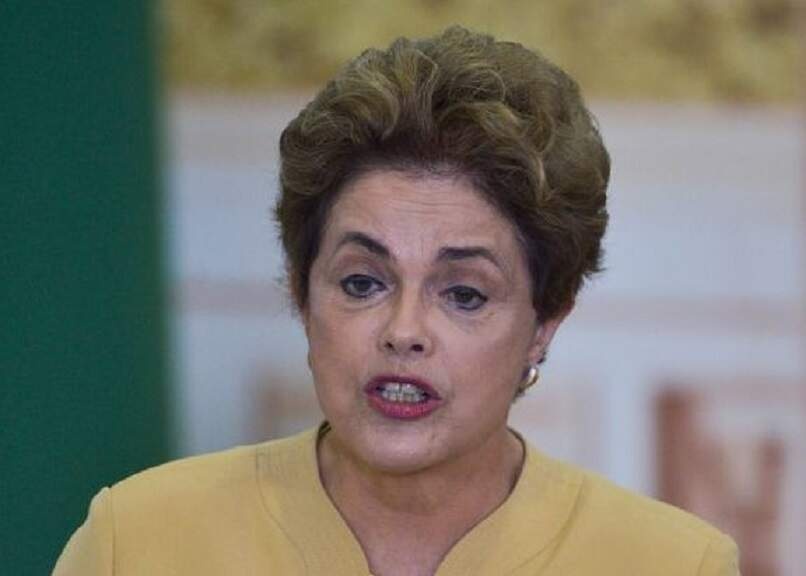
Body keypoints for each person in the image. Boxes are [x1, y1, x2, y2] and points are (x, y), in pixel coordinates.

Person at [54, 26, 739, 575]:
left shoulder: (672, 564)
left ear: (545, 322)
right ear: (301, 293)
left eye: (464, 293)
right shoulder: (136, 541)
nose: (403, 330)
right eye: (363, 283)